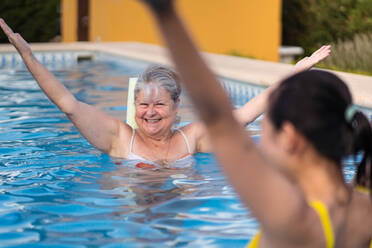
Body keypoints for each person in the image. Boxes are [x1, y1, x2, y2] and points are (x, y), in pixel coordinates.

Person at [138, 0, 372, 247]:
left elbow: (219, 120)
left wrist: (165, 13)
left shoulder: (293, 221)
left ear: (290, 138)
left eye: (264, 129)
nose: (258, 139)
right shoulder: (364, 205)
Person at [0, 19, 329, 168]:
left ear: (176, 107)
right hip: (130, 217)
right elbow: (68, 104)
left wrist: (297, 71)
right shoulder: (118, 138)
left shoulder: (193, 138)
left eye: (159, 104)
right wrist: (28, 56)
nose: (150, 112)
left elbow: (246, 114)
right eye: (143, 104)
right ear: (134, 106)